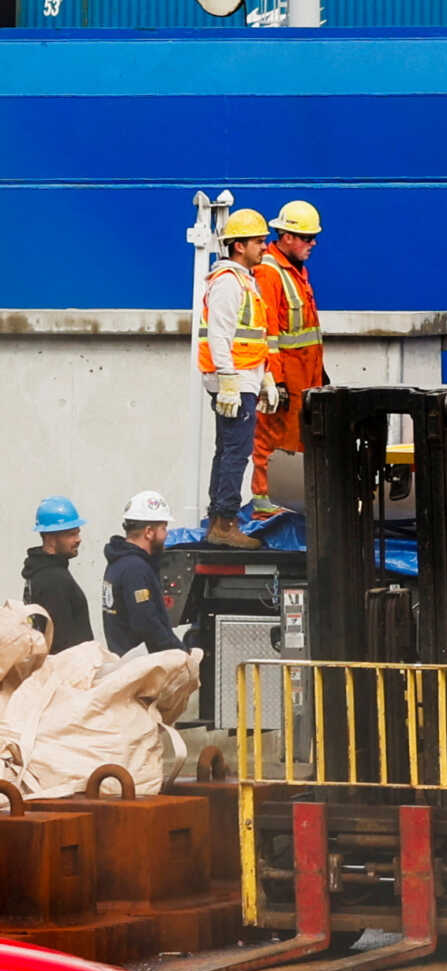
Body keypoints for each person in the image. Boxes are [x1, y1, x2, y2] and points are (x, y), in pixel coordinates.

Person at [196, 207, 273, 549]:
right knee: (235, 453)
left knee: (227, 451)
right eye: (259, 241)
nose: (264, 247)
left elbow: (251, 338)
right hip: (234, 383)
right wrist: (228, 380)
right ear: (239, 245)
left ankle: (220, 520)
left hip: (242, 380)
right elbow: (220, 335)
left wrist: (264, 379)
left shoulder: (241, 281)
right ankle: (225, 523)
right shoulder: (229, 282)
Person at [250, 199, 328, 511]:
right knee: (272, 439)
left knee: (296, 441)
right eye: (308, 238)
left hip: (304, 375)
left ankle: (290, 502)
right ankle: (266, 503)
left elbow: (304, 332)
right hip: (285, 376)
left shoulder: (295, 270)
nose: (313, 243)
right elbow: (267, 333)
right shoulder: (270, 273)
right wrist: (275, 381)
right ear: (287, 237)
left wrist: (319, 373)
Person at [102, 492, 182, 656]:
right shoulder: (135, 568)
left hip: (128, 663)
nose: (166, 534)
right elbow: (146, 623)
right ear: (149, 532)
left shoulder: (119, 561)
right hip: (141, 666)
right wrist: (179, 653)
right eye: (163, 528)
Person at [21, 497, 93, 653]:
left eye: (78, 533)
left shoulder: (39, 571)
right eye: (71, 534)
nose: (78, 539)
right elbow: (61, 643)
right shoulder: (53, 580)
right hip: (70, 671)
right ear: (51, 538)